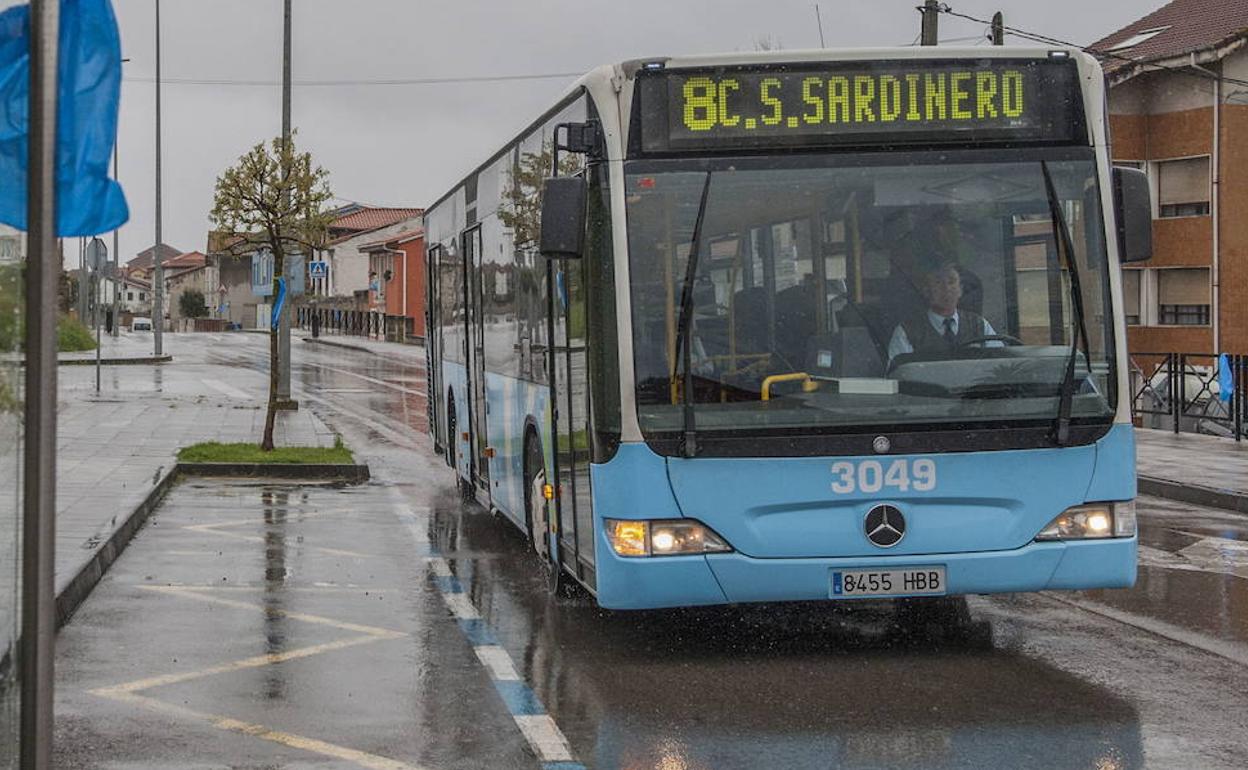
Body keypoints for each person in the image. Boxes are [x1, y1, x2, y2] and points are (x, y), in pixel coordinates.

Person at [887, 257, 1000, 363]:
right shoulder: (907, 332)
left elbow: (1000, 365)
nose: (946, 289)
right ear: (926, 291)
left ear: (960, 290)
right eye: (938, 282)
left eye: (951, 282)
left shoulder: (980, 326)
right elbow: (899, 375)